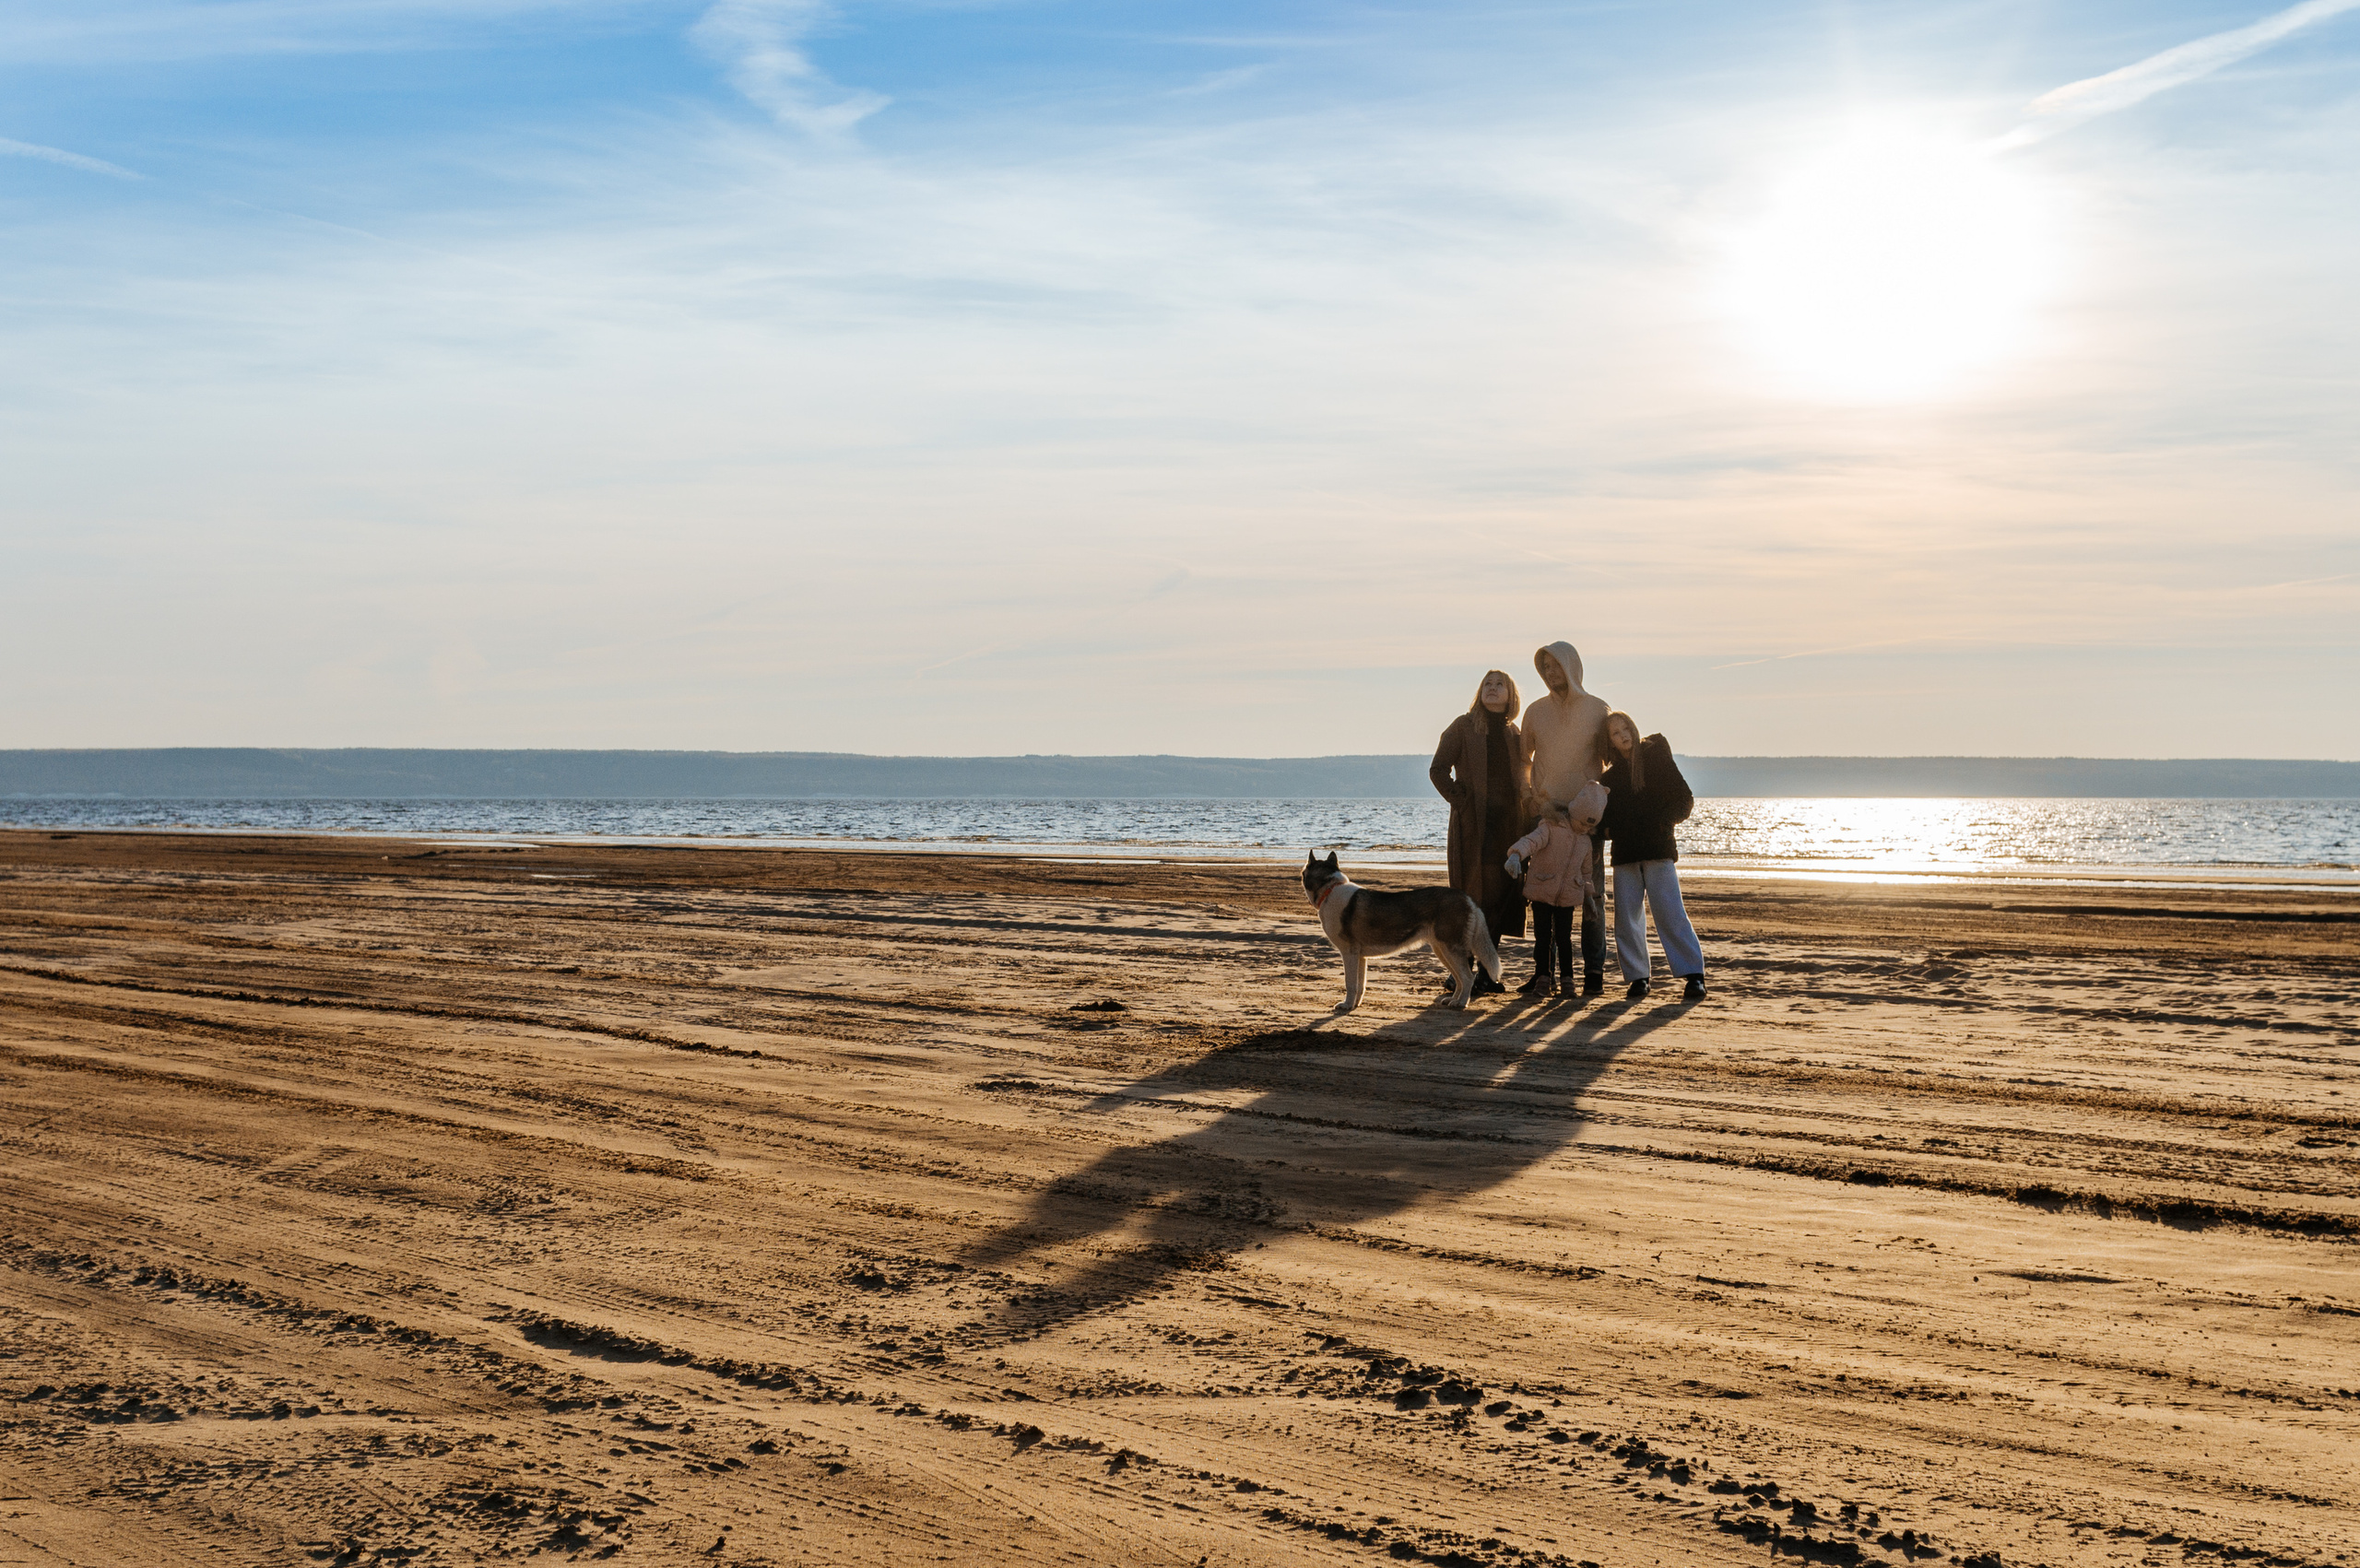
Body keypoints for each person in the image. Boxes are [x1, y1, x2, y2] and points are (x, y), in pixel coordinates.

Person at [1519, 641, 1611, 995]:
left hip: (1586, 823)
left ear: (1572, 666)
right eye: (1545, 668)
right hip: (1546, 816)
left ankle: (1593, 973)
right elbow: (1522, 761)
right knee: (1544, 894)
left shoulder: (1597, 709)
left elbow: (1612, 762)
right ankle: (1545, 973)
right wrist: (1529, 798)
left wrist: (1603, 810)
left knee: (1591, 895)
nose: (1550, 673)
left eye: (1556, 665)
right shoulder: (1535, 711)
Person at [1596, 709, 1705, 1002]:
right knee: (1627, 918)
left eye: (1625, 729)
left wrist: (1664, 822)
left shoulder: (1656, 757)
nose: (1622, 736)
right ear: (1610, 743)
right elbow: (1604, 817)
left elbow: (1684, 797)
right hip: (1626, 854)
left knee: (1670, 913)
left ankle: (1694, 975)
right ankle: (1638, 979)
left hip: (1658, 849)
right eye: (1615, 734)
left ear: (1633, 727)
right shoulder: (1611, 777)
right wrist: (1607, 830)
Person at [1428, 669, 1526, 996]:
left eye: (1500, 685)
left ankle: (1486, 974)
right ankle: (1461, 972)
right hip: (1473, 828)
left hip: (1508, 829)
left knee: (1499, 901)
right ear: (1479, 692)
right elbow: (1438, 768)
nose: (1493, 689)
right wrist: (1460, 800)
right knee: (1471, 900)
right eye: (1488, 684)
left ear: (1511, 695)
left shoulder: (1515, 735)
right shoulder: (1464, 726)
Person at [1504, 781, 1606, 997]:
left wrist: (1589, 897)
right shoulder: (1549, 827)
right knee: (1543, 938)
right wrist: (1515, 855)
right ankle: (1543, 977)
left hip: (1568, 897)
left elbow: (1586, 875)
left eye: (1590, 826)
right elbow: (1530, 842)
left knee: (1564, 938)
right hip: (1542, 890)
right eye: (1582, 823)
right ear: (1574, 813)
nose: (1585, 829)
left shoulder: (1586, 843)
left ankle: (1567, 980)